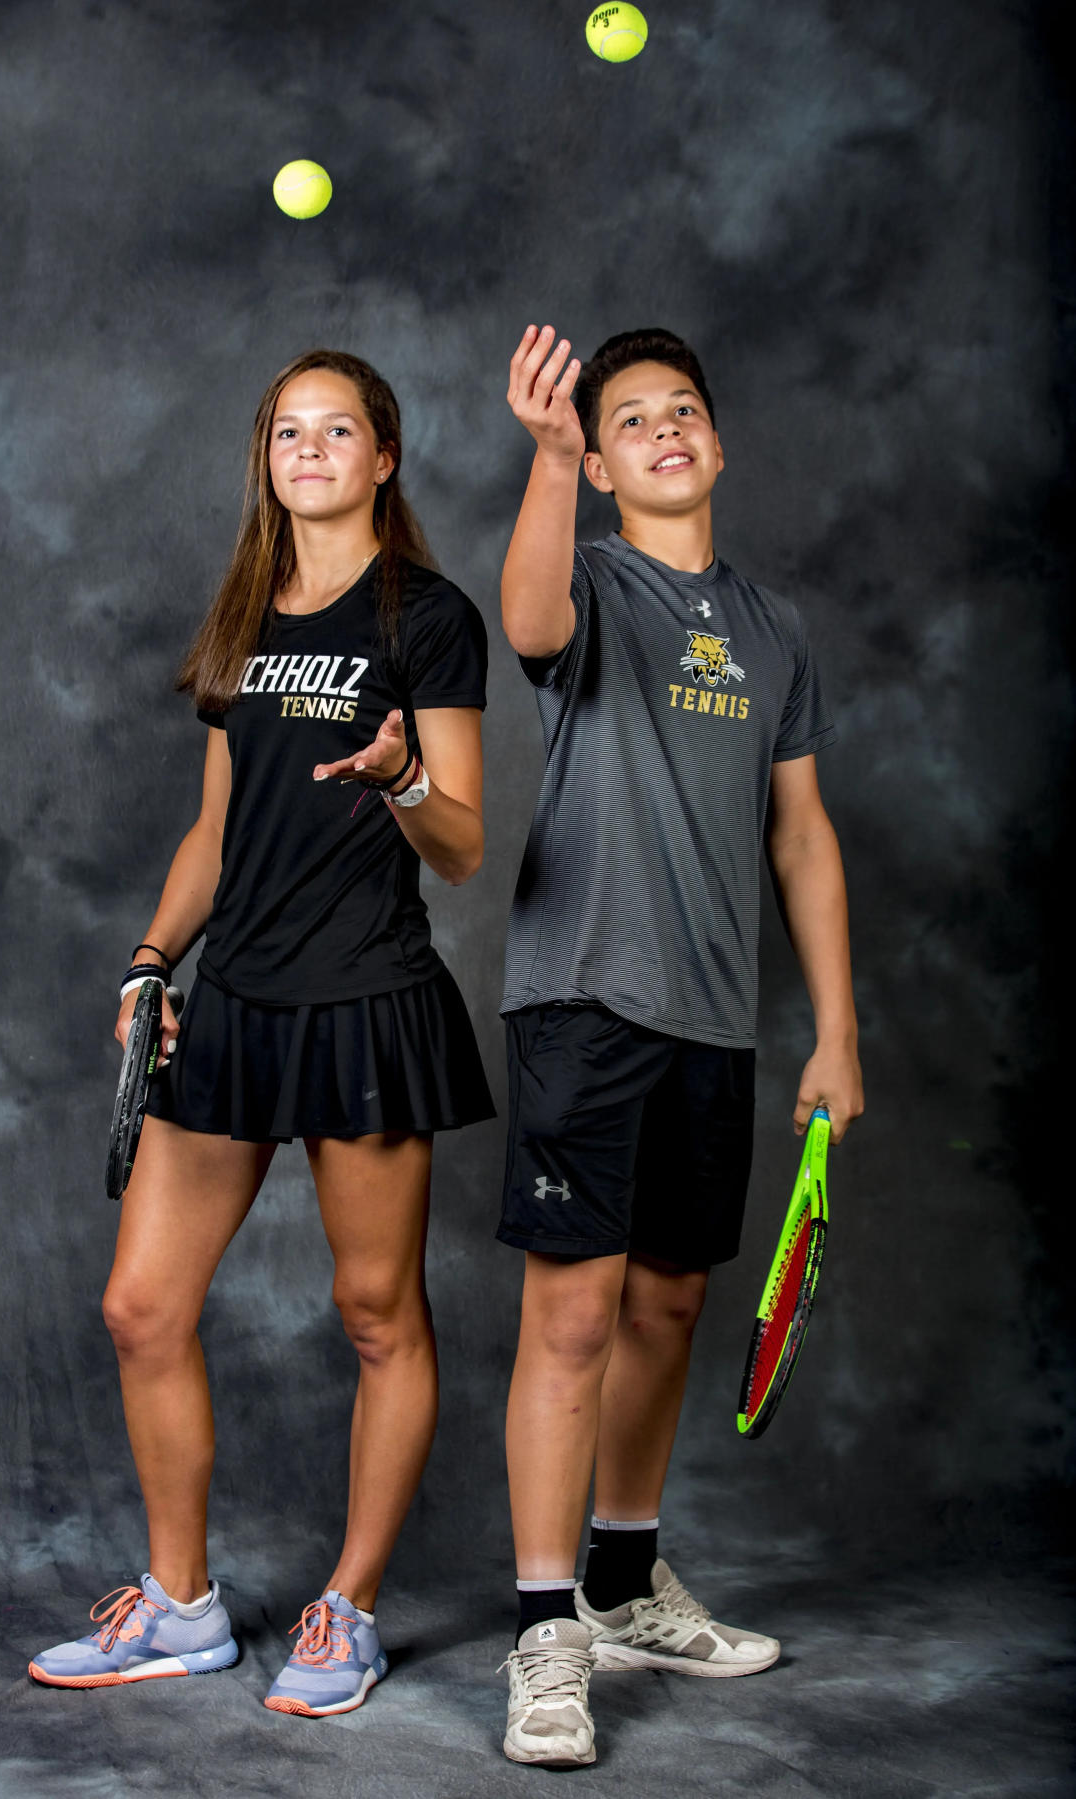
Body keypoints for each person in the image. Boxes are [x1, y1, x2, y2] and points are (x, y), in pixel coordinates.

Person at [28, 349, 493, 1717]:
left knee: (373, 1313)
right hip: (234, 1002)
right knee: (141, 1306)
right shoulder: (243, 612)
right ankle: (181, 1608)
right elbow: (217, 832)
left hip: (364, 1000)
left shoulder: (430, 616)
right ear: (267, 458)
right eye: (287, 430)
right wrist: (153, 956)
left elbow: (461, 848)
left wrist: (406, 774)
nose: (308, 449)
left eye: (335, 428)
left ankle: (345, 1610)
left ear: (382, 456)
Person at [495, 324, 864, 1768]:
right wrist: (538, 468)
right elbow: (525, 623)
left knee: (663, 1312)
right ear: (597, 460)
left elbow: (802, 833)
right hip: (584, 1001)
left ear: (716, 444)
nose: (660, 429)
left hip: (714, 1018)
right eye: (626, 419)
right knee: (571, 1319)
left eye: (681, 412)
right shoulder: (587, 575)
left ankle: (621, 1578)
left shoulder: (772, 632)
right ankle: (543, 1630)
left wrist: (834, 1028)